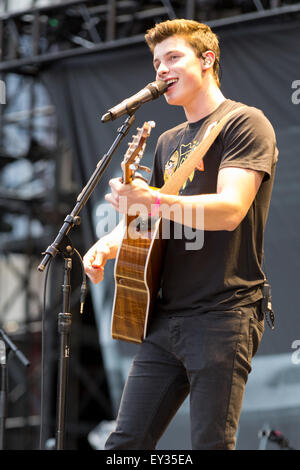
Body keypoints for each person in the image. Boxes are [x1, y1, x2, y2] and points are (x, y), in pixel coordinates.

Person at [83, 19, 278, 450]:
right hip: (165, 319)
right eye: (156, 63)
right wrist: (108, 245)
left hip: (223, 314)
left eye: (173, 58)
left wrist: (148, 200)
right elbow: (152, 219)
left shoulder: (244, 123)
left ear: (207, 60)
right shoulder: (168, 141)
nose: (161, 71)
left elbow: (230, 210)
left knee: (209, 444)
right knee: (124, 445)